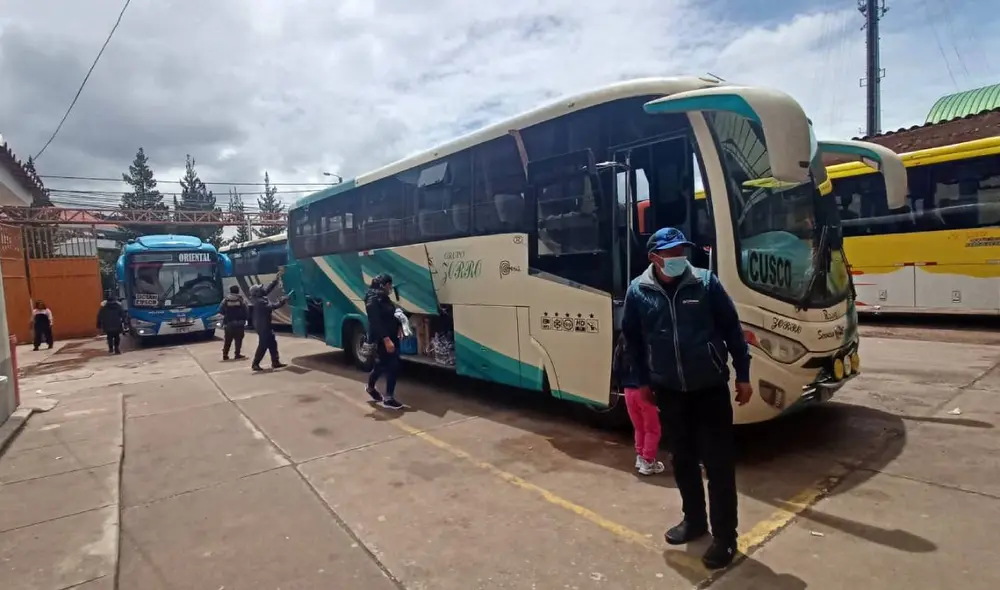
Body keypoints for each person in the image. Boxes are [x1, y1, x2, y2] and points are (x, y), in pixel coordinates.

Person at [620, 227, 753, 570]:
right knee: (682, 460)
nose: (680, 257)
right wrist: (642, 380)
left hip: (709, 388)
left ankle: (725, 537)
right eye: (672, 252)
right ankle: (694, 521)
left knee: (719, 464)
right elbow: (632, 340)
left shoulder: (706, 283)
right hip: (669, 390)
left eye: (683, 250)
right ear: (655, 258)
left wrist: (743, 374)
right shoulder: (639, 291)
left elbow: (732, 330)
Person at [612, 332, 664, 476]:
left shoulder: (624, 337)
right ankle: (648, 461)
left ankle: (640, 457)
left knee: (639, 427)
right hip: (644, 391)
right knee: (652, 429)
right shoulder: (648, 337)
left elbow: (616, 365)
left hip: (628, 391)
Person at [364, 274, 404, 410]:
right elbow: (375, 322)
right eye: (389, 285)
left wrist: (399, 325)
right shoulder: (372, 299)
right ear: (383, 285)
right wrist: (386, 339)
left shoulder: (383, 297)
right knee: (391, 366)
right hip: (382, 339)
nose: (390, 288)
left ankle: (371, 388)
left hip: (391, 336)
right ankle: (388, 398)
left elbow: (391, 314)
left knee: (382, 365)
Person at [250, 273, 288, 372]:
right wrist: (282, 301)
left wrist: (275, 280)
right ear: (258, 292)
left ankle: (275, 362)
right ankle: (255, 364)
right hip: (262, 326)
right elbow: (271, 307)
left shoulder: (259, 297)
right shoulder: (260, 302)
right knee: (263, 344)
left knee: (272, 343)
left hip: (263, 324)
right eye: (260, 288)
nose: (263, 289)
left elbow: (267, 290)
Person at [218, 285, 249, 360]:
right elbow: (246, 310)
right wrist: (245, 318)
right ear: (238, 291)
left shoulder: (226, 300)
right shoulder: (241, 299)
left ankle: (225, 355)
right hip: (239, 323)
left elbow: (220, 310)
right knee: (238, 340)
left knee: (228, 340)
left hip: (229, 323)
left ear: (230, 291)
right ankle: (237, 354)